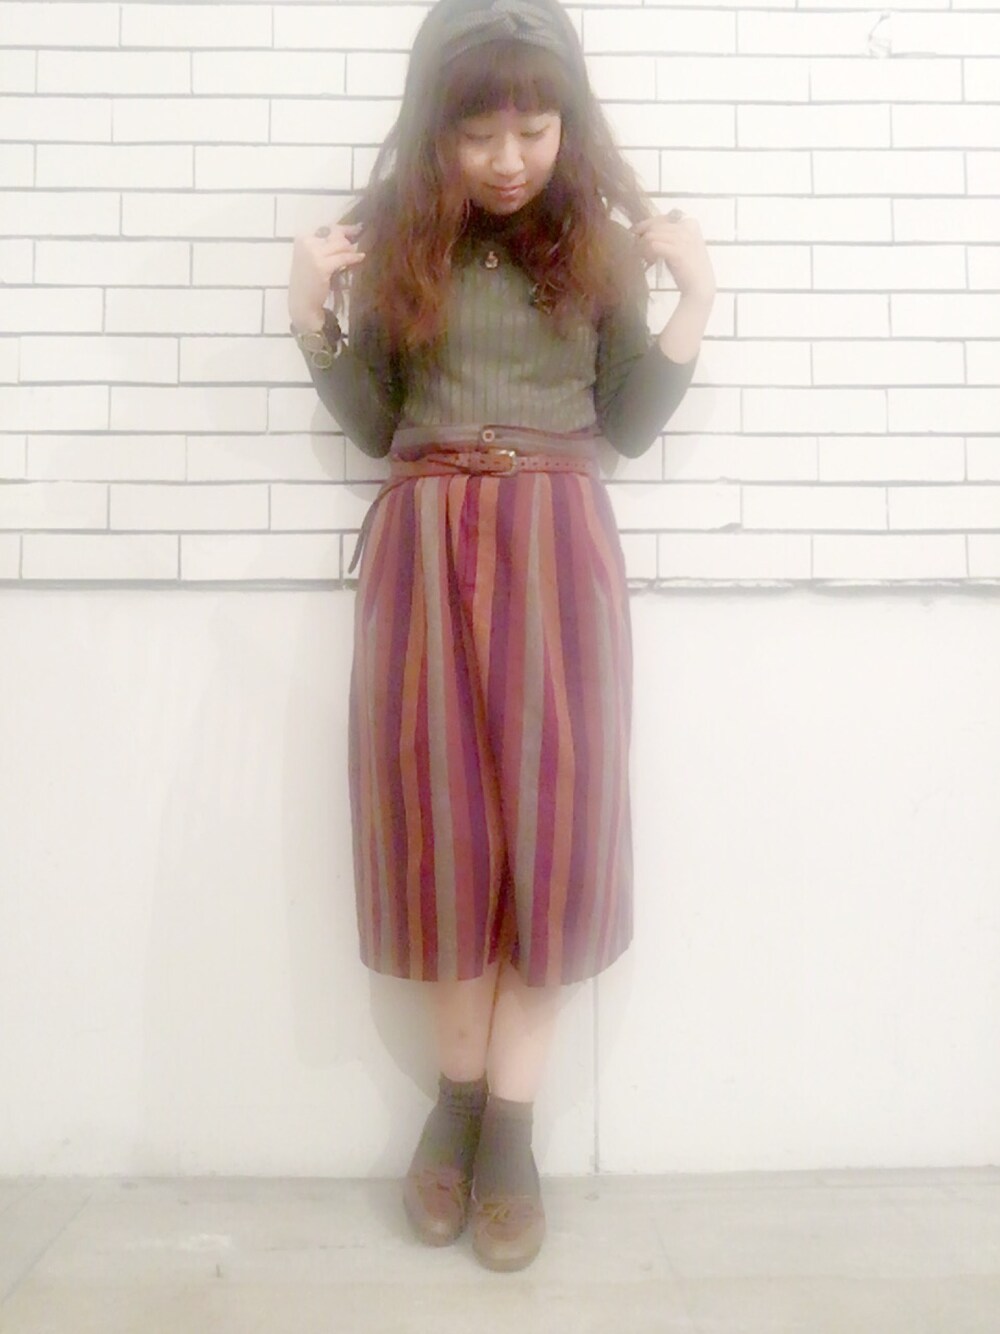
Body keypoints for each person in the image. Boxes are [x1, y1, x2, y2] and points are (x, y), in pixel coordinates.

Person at [286, 0, 715, 1273]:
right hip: (424, 547)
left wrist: (693, 296)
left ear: (566, 123)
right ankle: (456, 1101)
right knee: (439, 829)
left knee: (554, 830)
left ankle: (510, 1130)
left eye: (533, 128)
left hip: (557, 546)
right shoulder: (396, 241)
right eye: (480, 133)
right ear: (438, 131)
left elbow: (628, 423)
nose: (510, 157)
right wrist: (311, 312)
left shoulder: (599, 248)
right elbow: (376, 425)